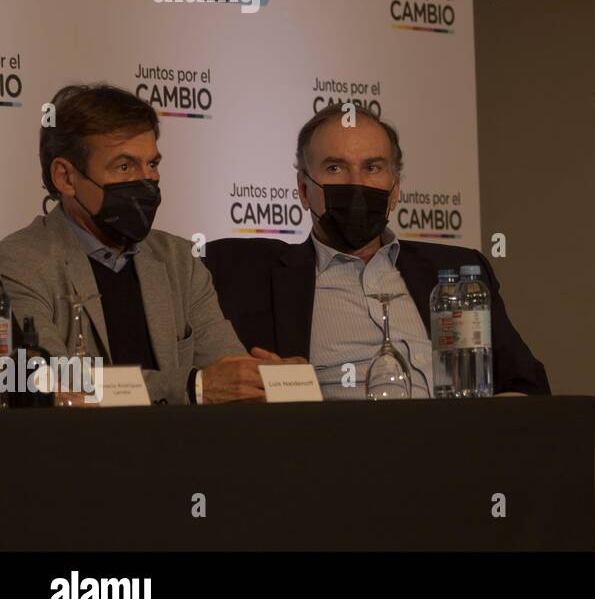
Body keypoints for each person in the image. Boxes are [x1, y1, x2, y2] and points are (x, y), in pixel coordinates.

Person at [203, 103, 549, 398]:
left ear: (395, 190)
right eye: (335, 168)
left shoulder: (458, 271)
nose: (357, 183)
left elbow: (526, 383)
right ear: (304, 190)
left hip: (455, 453)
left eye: (372, 168)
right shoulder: (246, 274)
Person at [0, 84, 281, 404]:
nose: (146, 180)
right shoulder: (20, 261)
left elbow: (227, 371)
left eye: (152, 164)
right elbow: (47, 378)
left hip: (185, 448)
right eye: (124, 166)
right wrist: (193, 387)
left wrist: (273, 379)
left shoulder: (180, 260)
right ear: (66, 177)